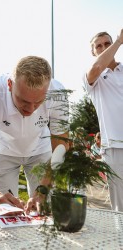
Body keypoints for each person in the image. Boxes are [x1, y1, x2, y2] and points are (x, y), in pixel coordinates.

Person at [0, 56, 69, 212]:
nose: (31, 109)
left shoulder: (58, 94)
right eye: (23, 101)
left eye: (38, 101)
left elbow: (61, 148)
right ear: (10, 85)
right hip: (2, 149)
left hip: (40, 149)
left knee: (46, 209)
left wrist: (43, 191)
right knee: (5, 211)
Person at [83, 30, 123, 211]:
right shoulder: (93, 77)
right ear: (93, 52)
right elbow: (97, 68)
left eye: (107, 43)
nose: (104, 48)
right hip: (114, 147)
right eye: (98, 46)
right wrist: (118, 42)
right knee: (121, 207)